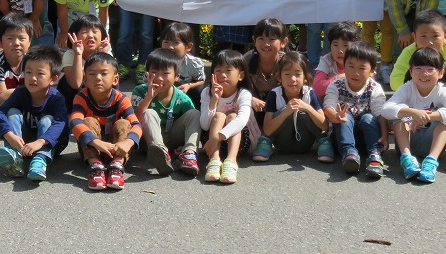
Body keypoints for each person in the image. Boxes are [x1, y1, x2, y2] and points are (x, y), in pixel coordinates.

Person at [382, 46, 446, 184]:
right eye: (418, 69)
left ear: (441, 73)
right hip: (408, 141)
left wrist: (428, 116)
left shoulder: (442, 91)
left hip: (432, 143)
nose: (424, 74)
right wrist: (412, 113)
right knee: (399, 116)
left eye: (430, 69)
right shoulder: (407, 87)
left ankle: (431, 161)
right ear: (411, 71)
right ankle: (407, 160)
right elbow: (386, 109)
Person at [0, 45, 69, 182]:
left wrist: (40, 142)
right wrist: (9, 135)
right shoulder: (20, 93)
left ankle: (40, 160)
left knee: (47, 120)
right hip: (24, 143)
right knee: (12, 112)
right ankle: (15, 156)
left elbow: (61, 122)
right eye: (28, 72)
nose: (33, 78)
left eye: (40, 74)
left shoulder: (56, 98)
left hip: (50, 143)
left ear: (53, 79)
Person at [70, 52, 142, 191]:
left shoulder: (121, 99)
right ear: (85, 79)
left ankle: (117, 166)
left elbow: (136, 125)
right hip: (91, 146)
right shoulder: (81, 97)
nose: (98, 78)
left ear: (115, 79)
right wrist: (96, 142)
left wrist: (128, 142)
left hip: (116, 148)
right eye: (92, 74)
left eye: (104, 74)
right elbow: (74, 121)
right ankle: (95, 166)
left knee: (124, 124)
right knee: (88, 121)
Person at [131, 48, 202, 177]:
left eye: (165, 73)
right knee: (148, 113)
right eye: (154, 72)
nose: (159, 78)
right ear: (147, 74)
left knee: (194, 114)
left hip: (172, 139)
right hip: (148, 141)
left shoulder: (182, 98)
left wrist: (182, 144)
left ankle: (189, 153)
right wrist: (148, 97)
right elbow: (133, 120)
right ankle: (160, 153)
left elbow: (190, 124)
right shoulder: (139, 91)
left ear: (176, 76)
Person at [322, 42, 388, 179]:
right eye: (350, 66)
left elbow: (380, 114)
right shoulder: (336, 85)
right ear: (344, 66)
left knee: (368, 118)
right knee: (344, 117)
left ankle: (375, 156)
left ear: (372, 71)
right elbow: (328, 106)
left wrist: (385, 136)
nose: (355, 73)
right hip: (341, 138)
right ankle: (349, 155)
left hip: (366, 138)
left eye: (362, 68)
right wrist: (336, 116)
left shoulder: (374, 87)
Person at [256, 51, 328, 161]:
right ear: (279, 77)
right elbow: (267, 130)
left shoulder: (310, 93)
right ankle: (266, 143)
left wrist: (307, 108)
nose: (293, 79)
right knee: (287, 109)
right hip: (282, 144)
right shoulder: (274, 94)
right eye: (287, 74)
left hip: (305, 144)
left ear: (305, 77)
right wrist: (286, 112)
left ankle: (323, 142)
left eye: (298, 74)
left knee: (303, 112)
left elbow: (325, 126)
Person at [201, 49, 259, 184]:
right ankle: (214, 161)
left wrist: (217, 137)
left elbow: (242, 121)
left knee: (233, 116)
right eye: (218, 70)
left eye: (228, 71)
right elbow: (204, 124)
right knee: (219, 116)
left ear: (240, 75)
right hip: (212, 144)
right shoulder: (207, 92)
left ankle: (231, 162)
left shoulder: (243, 94)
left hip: (241, 141)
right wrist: (214, 100)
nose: (222, 75)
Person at [390, 10, 446, 95]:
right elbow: (395, 81)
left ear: (445, 36)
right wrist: (416, 94)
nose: (430, 42)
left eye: (435, 36)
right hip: (414, 98)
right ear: (414, 37)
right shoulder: (409, 53)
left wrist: (445, 92)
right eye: (423, 36)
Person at [0, 12, 33, 112]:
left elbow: (40, 88)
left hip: (23, 103)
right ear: (0, 43)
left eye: (22, 38)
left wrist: (13, 92)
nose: (16, 43)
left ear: (30, 42)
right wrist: (27, 91)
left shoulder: (32, 61)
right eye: (10, 38)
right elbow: (2, 99)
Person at [160, 22, 205, 105]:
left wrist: (189, 86)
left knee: (201, 90)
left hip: (184, 93)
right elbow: (147, 82)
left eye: (176, 42)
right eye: (166, 42)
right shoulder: (156, 61)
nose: (170, 47)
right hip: (161, 93)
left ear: (188, 47)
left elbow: (201, 81)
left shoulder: (193, 63)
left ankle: (196, 114)